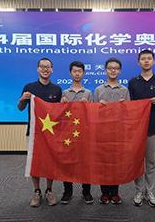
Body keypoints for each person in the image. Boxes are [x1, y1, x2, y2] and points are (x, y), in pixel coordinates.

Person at [18, 57, 62, 207]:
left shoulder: (57, 89)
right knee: (34, 162)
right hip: (34, 132)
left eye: (48, 67)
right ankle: (36, 191)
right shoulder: (29, 87)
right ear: (38, 69)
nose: (45, 69)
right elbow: (20, 108)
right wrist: (23, 99)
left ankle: (49, 190)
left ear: (52, 69)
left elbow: (59, 112)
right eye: (42, 67)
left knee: (50, 162)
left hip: (51, 133)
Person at [128, 49, 155, 207]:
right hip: (136, 129)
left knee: (151, 162)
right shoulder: (133, 82)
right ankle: (138, 191)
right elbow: (129, 106)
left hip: (153, 127)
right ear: (139, 62)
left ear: (153, 61)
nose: (146, 61)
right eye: (143, 59)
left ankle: (149, 191)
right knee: (137, 161)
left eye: (149, 58)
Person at [94, 57, 130, 204]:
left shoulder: (124, 90)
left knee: (116, 161)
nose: (113, 70)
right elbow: (92, 112)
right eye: (110, 68)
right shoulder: (98, 90)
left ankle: (115, 192)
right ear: (105, 70)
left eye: (116, 68)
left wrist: (123, 106)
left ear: (119, 71)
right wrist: (99, 106)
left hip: (118, 131)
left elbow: (129, 112)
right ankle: (104, 192)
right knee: (103, 161)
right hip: (102, 131)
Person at [60, 61, 94, 205]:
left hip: (84, 132)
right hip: (67, 133)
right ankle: (68, 191)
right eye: (74, 71)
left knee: (85, 161)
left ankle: (86, 191)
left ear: (83, 73)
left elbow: (93, 114)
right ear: (70, 73)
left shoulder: (88, 93)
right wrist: (61, 104)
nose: (77, 73)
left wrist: (89, 106)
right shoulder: (64, 92)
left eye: (80, 71)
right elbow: (59, 115)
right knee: (67, 162)